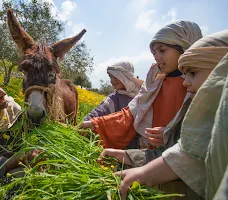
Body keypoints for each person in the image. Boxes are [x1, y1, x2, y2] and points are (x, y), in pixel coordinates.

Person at [112, 30, 228, 200]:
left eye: (193, 73)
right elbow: (186, 153)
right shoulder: (155, 84)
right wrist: (132, 158)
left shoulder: (194, 101)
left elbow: (187, 156)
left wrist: (144, 169)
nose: (186, 81)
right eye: (154, 53)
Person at [80, 20, 202, 150]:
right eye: (154, 53)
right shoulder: (154, 83)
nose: (157, 57)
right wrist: (94, 124)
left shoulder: (201, 87)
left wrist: (170, 135)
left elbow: (201, 136)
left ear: (185, 46)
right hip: (147, 155)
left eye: (162, 50)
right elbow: (130, 115)